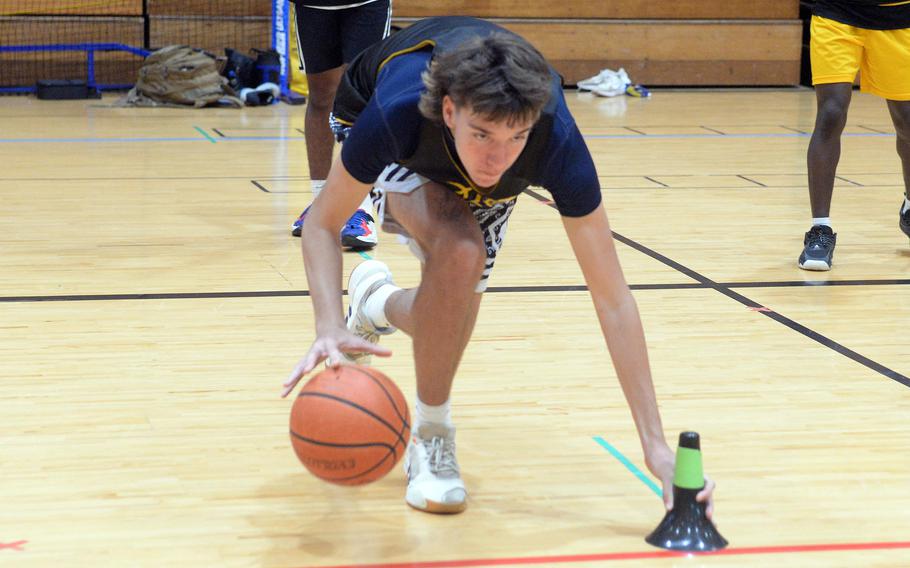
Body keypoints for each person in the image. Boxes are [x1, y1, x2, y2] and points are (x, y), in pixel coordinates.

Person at [281, 16, 716, 516]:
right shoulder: (395, 111)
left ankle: (375, 302)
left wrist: (655, 446)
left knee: (450, 310)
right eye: (483, 135)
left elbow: (612, 298)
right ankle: (432, 435)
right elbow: (321, 225)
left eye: (516, 138)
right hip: (376, 116)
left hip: (457, 144)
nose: (496, 159)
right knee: (462, 252)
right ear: (450, 110)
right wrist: (327, 325)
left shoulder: (553, 138)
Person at [798, 0, 910, 270]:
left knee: (907, 122)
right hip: (837, 12)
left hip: (898, 16)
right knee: (831, 113)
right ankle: (820, 229)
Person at [289, 0, 392, 248]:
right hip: (313, 6)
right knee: (320, 96)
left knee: (360, 95)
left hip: (366, 4)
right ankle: (321, 201)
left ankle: (361, 208)